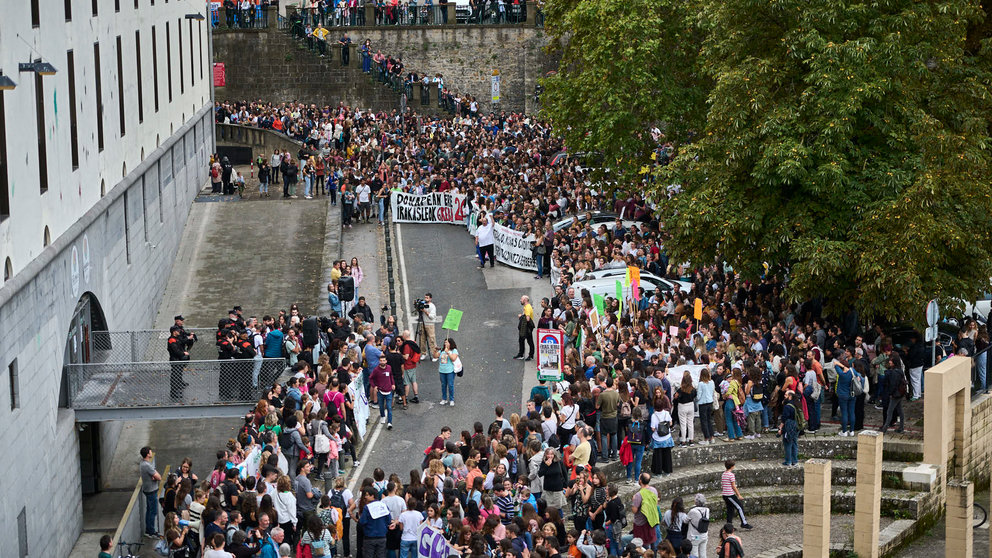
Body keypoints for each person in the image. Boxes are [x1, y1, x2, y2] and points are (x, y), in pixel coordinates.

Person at [720, 461, 752, 530]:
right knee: (740, 507)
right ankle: (744, 523)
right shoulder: (731, 475)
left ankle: (729, 526)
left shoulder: (723, 474)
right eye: (733, 465)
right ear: (731, 467)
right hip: (730, 495)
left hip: (725, 495)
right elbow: (733, 486)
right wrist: (739, 495)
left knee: (730, 510)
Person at [631, 473, 659, 549]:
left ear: (640, 481)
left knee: (642, 544)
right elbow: (656, 503)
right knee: (652, 541)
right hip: (651, 520)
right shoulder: (654, 490)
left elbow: (634, 510)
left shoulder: (638, 495)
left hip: (641, 522)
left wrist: (633, 500)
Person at [140, 446, 162, 538]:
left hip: (147, 489)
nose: (151, 452)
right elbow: (159, 477)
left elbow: (155, 474)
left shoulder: (143, 463)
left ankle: (149, 530)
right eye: (150, 452)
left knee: (149, 511)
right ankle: (151, 531)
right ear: (148, 454)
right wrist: (155, 476)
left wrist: (154, 475)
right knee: (152, 512)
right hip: (151, 490)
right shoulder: (147, 465)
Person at [370, 356, 396, 429]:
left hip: (389, 391)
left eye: (383, 360)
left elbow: (391, 376)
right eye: (381, 360)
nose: (382, 362)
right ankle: (382, 416)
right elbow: (371, 378)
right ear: (379, 362)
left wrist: (393, 384)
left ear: (386, 361)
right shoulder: (376, 370)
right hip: (380, 391)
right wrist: (374, 386)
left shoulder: (389, 368)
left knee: (389, 407)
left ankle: (389, 422)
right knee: (381, 406)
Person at [650, 396, 674, 475]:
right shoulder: (666, 413)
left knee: (658, 456)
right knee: (667, 454)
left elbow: (653, 428)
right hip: (667, 437)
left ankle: (658, 472)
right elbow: (670, 423)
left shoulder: (654, 416)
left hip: (658, 438)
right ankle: (667, 471)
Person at [168, 325, 191, 399]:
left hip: (178, 359)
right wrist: (183, 353)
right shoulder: (171, 339)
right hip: (175, 359)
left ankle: (177, 390)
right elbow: (176, 350)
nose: (179, 332)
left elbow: (181, 345)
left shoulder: (176, 338)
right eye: (178, 331)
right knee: (175, 376)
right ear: (174, 332)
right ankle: (174, 393)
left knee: (178, 375)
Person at [400, 330, 422, 404]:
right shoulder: (413, 343)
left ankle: (405, 398)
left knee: (406, 383)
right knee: (414, 381)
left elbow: (406, 357)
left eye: (403, 334)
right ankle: (416, 396)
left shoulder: (407, 345)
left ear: (405, 336)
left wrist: (400, 354)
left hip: (407, 365)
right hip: (413, 364)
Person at [779, 391, 800, 466]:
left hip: (789, 426)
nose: (784, 396)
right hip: (796, 425)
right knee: (794, 443)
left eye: (786, 395)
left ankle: (788, 461)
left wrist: (780, 428)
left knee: (787, 443)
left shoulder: (787, 406)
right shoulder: (796, 404)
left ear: (790, 396)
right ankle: (795, 460)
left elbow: (784, 418)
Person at [686, 494, 710, 558]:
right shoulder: (707, 510)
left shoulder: (693, 511)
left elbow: (685, 520)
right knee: (703, 554)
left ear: (696, 502)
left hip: (694, 536)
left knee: (694, 554)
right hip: (704, 535)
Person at [416, 293, 439, 360]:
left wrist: (425, 311)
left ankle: (435, 355)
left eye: (427, 298)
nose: (426, 299)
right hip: (422, 323)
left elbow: (432, 317)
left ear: (430, 298)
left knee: (432, 340)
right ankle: (423, 353)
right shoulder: (423, 305)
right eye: (425, 297)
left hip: (430, 324)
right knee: (422, 339)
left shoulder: (432, 306)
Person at [438, 338, 460, 406]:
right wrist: (435, 351)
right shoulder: (442, 351)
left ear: (450, 343)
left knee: (450, 385)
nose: (445, 344)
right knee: (443, 385)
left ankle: (451, 399)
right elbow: (435, 356)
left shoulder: (454, 351)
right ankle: (444, 399)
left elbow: (453, 358)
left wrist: (448, 352)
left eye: (447, 342)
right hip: (442, 370)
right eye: (445, 342)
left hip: (450, 371)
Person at [514, 295, 535, 361]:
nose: (520, 300)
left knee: (529, 341)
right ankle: (521, 354)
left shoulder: (527, 308)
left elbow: (527, 318)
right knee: (521, 340)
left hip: (527, 327)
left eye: (521, 299)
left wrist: (521, 317)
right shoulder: (526, 307)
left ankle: (530, 355)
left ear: (525, 300)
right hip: (526, 327)